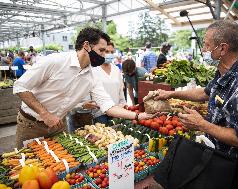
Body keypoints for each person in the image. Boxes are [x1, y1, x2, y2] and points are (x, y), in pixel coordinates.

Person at [155, 20, 238, 189]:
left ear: (222, 49)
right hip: (224, 160)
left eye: (206, 45)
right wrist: (171, 93)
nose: (203, 50)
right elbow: (204, 92)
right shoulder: (226, 72)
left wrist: (202, 125)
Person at [13, 27, 153, 148]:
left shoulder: (92, 76)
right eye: (102, 50)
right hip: (31, 125)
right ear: (86, 45)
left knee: (60, 167)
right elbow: (20, 86)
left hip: (59, 126)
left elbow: (108, 106)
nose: (104, 56)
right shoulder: (55, 61)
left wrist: (138, 115)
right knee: (27, 165)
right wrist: (45, 114)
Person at [91, 41, 127, 124]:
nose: (109, 54)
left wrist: (123, 104)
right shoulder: (94, 70)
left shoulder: (116, 69)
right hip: (100, 114)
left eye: (112, 52)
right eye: (107, 51)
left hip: (117, 112)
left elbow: (120, 90)